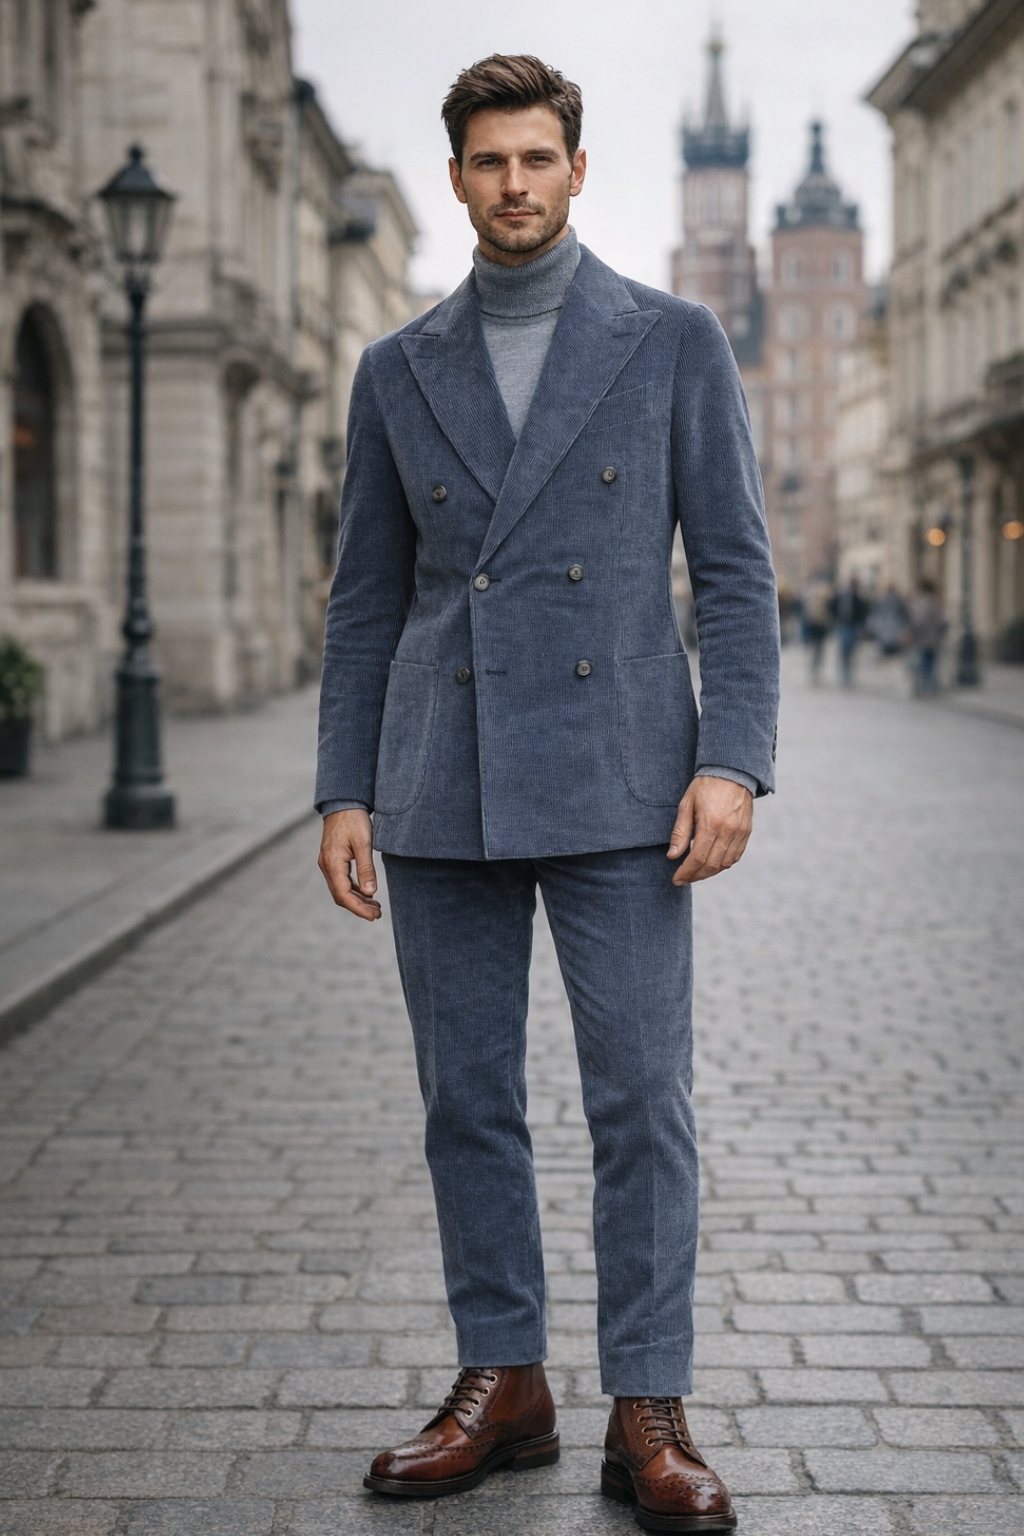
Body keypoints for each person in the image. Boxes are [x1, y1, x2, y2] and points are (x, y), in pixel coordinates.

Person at [315, 55, 779, 1535]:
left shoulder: (672, 340)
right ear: (455, 179)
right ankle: (504, 1381)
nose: (514, 183)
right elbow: (363, 602)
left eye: (538, 157)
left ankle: (650, 1404)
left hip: (626, 781)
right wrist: (343, 788)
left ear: (577, 170)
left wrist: (732, 758)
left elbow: (740, 567)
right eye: (488, 162)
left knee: (642, 1099)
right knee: (469, 1102)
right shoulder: (397, 368)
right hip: (439, 776)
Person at [909, 579, 947, 696]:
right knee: (929, 662)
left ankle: (924, 686)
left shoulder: (920, 602)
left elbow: (917, 621)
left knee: (925, 662)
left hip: (923, 638)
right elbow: (941, 621)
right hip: (932, 638)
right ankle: (928, 686)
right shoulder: (934, 602)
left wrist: (913, 632)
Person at [831, 575, 870, 687]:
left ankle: (847, 673)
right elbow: (833, 606)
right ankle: (845, 673)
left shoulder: (857, 597)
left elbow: (863, 611)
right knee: (845, 650)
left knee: (848, 650)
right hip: (845, 625)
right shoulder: (844, 595)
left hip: (851, 625)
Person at [801, 574, 834, 684]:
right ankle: (816, 669)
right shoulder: (825, 594)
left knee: (815, 649)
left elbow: (807, 612)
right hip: (820, 625)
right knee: (819, 649)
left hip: (814, 625)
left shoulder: (811, 595)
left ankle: (814, 670)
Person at [868, 584, 910, 658]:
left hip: (886, 626)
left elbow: (874, 614)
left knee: (887, 644)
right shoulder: (897, 600)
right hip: (892, 626)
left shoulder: (881, 600)